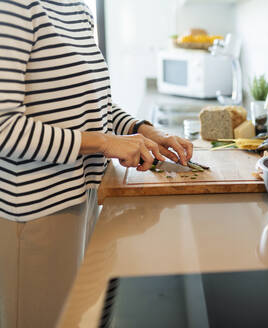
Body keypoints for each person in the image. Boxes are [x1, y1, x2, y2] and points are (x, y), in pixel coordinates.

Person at [0, 0, 193, 327]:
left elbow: (95, 102)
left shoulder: (77, 8)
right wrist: (105, 143)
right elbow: (4, 128)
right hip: (36, 213)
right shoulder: (14, 7)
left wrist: (143, 130)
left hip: (86, 199)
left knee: (78, 317)